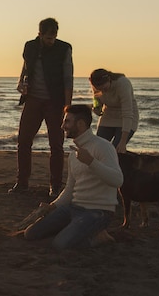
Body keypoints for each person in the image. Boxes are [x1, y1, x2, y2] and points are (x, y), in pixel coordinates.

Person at [23, 104, 123, 250]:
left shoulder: (103, 147)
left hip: (98, 212)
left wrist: (91, 162)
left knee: (61, 244)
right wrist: (53, 206)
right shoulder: (73, 154)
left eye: (67, 122)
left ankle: (100, 237)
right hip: (73, 208)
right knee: (30, 234)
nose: (63, 126)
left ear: (81, 124)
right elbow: (70, 188)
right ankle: (75, 231)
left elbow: (118, 180)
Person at [9, 17, 74, 196]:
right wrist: (20, 81)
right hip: (33, 100)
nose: (50, 41)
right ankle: (22, 182)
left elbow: (68, 78)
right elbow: (26, 66)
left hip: (55, 102)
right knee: (23, 141)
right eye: (47, 38)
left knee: (56, 144)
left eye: (53, 38)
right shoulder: (30, 46)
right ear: (40, 35)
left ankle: (55, 185)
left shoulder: (64, 48)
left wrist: (67, 106)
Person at [89, 68, 139, 153]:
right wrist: (96, 109)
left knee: (115, 149)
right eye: (99, 89)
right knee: (98, 148)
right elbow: (98, 105)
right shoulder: (96, 88)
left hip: (127, 117)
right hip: (108, 116)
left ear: (109, 80)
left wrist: (123, 142)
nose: (102, 91)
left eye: (104, 88)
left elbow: (127, 113)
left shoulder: (123, 84)